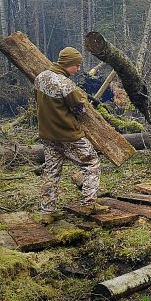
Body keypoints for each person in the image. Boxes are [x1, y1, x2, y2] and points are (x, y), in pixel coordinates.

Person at [34, 47, 107, 220]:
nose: (79, 69)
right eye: (77, 65)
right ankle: (89, 203)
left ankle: (47, 212)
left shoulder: (40, 78)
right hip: (68, 134)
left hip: (47, 135)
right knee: (92, 163)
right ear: (67, 64)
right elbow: (80, 110)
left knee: (51, 171)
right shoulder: (65, 84)